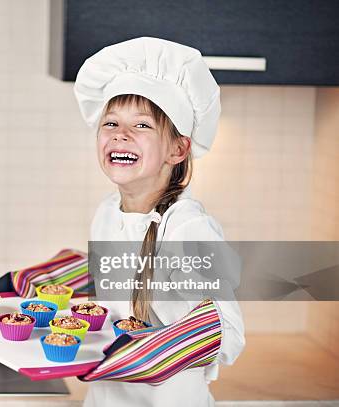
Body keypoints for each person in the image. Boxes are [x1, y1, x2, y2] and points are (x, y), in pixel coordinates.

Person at [73, 37, 246, 407]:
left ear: (178, 149)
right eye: (111, 122)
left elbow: (227, 334)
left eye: (142, 126)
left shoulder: (188, 229)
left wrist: (151, 349)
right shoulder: (106, 214)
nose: (121, 134)